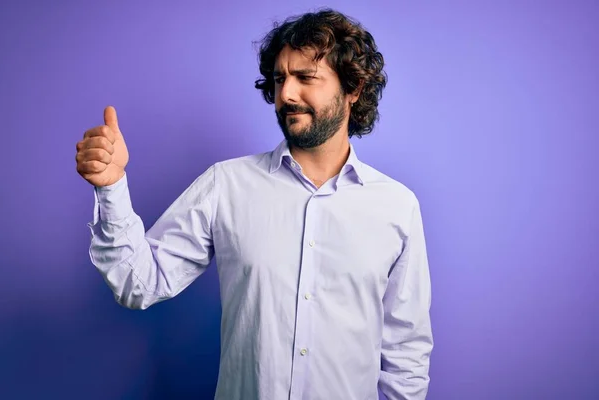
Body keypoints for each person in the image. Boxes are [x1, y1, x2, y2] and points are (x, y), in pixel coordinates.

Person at [75, 8, 433, 400]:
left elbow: (406, 355)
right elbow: (138, 283)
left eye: (305, 78)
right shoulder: (226, 185)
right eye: (280, 79)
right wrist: (112, 188)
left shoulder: (396, 207)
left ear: (353, 89)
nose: (286, 94)